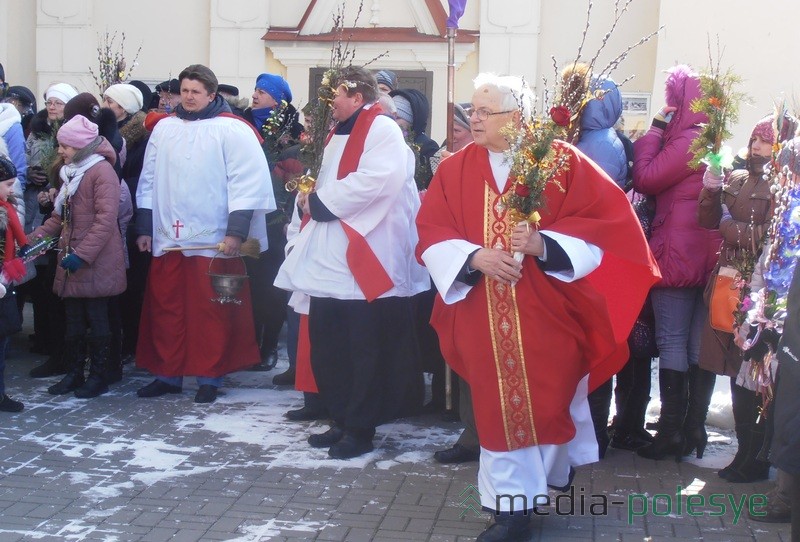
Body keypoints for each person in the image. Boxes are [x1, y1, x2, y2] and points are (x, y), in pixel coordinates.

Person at [415, 73, 658, 541]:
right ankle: (511, 510)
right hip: (482, 308)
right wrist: (473, 256)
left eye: (487, 111)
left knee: (547, 398)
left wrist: (545, 245)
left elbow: (604, 226)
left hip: (548, 308)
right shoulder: (454, 168)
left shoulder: (560, 162)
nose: (475, 118)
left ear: (518, 117)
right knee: (496, 403)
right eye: (474, 109)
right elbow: (431, 229)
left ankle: (544, 480)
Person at [274, 66, 430, 459]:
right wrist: (310, 196)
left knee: (362, 349)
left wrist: (324, 203)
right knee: (331, 345)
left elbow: (380, 179)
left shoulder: (382, 130)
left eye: (335, 95)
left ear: (357, 98)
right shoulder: (335, 132)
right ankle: (341, 418)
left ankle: (360, 428)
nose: (330, 103)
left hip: (365, 255)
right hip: (331, 261)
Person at [135, 64, 275, 404]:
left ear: (212, 94)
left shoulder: (232, 130)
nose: (188, 97)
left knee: (212, 311)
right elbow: (148, 180)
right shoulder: (164, 128)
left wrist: (236, 233)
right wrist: (144, 226)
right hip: (170, 238)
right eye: (184, 90)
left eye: (196, 91)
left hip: (214, 242)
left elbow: (248, 185)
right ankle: (167, 375)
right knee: (166, 308)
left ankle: (209, 377)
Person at [697, 113, 797, 482]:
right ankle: (743, 452)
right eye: (754, 139)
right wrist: (711, 187)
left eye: (765, 141)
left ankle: (757, 456)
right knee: (734, 374)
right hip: (727, 285)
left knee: (755, 374)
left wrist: (727, 225)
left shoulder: (782, 186)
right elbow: (705, 220)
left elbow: (766, 237)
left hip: (760, 294)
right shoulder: (739, 177)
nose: (756, 147)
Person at [633, 65, 722, 462]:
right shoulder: (711, 138)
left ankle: (671, 432)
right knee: (690, 344)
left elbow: (646, 178)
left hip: (677, 250)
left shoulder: (687, 139)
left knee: (671, 339)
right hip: (703, 252)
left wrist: (653, 132)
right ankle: (689, 429)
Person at [28, 114, 126, 398]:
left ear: (81, 148)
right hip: (72, 258)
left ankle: (98, 376)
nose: (61, 151)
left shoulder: (100, 172)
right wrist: (31, 242)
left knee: (96, 319)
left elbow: (105, 220)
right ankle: (74, 373)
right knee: (72, 320)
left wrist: (82, 255)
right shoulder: (71, 173)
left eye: (66, 147)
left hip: (95, 261)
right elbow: (60, 217)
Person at [241, 73, 303, 371]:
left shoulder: (292, 133)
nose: (255, 95)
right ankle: (248, 345)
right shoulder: (240, 125)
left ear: (279, 101)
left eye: (263, 92)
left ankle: (268, 346)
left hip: (276, 220)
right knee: (247, 282)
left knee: (270, 285)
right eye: (255, 90)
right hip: (244, 215)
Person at [0, 156, 27, 412]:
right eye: (7, 183)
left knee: (3, 339)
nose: (11, 189)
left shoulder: (6, 207)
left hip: (4, 281)